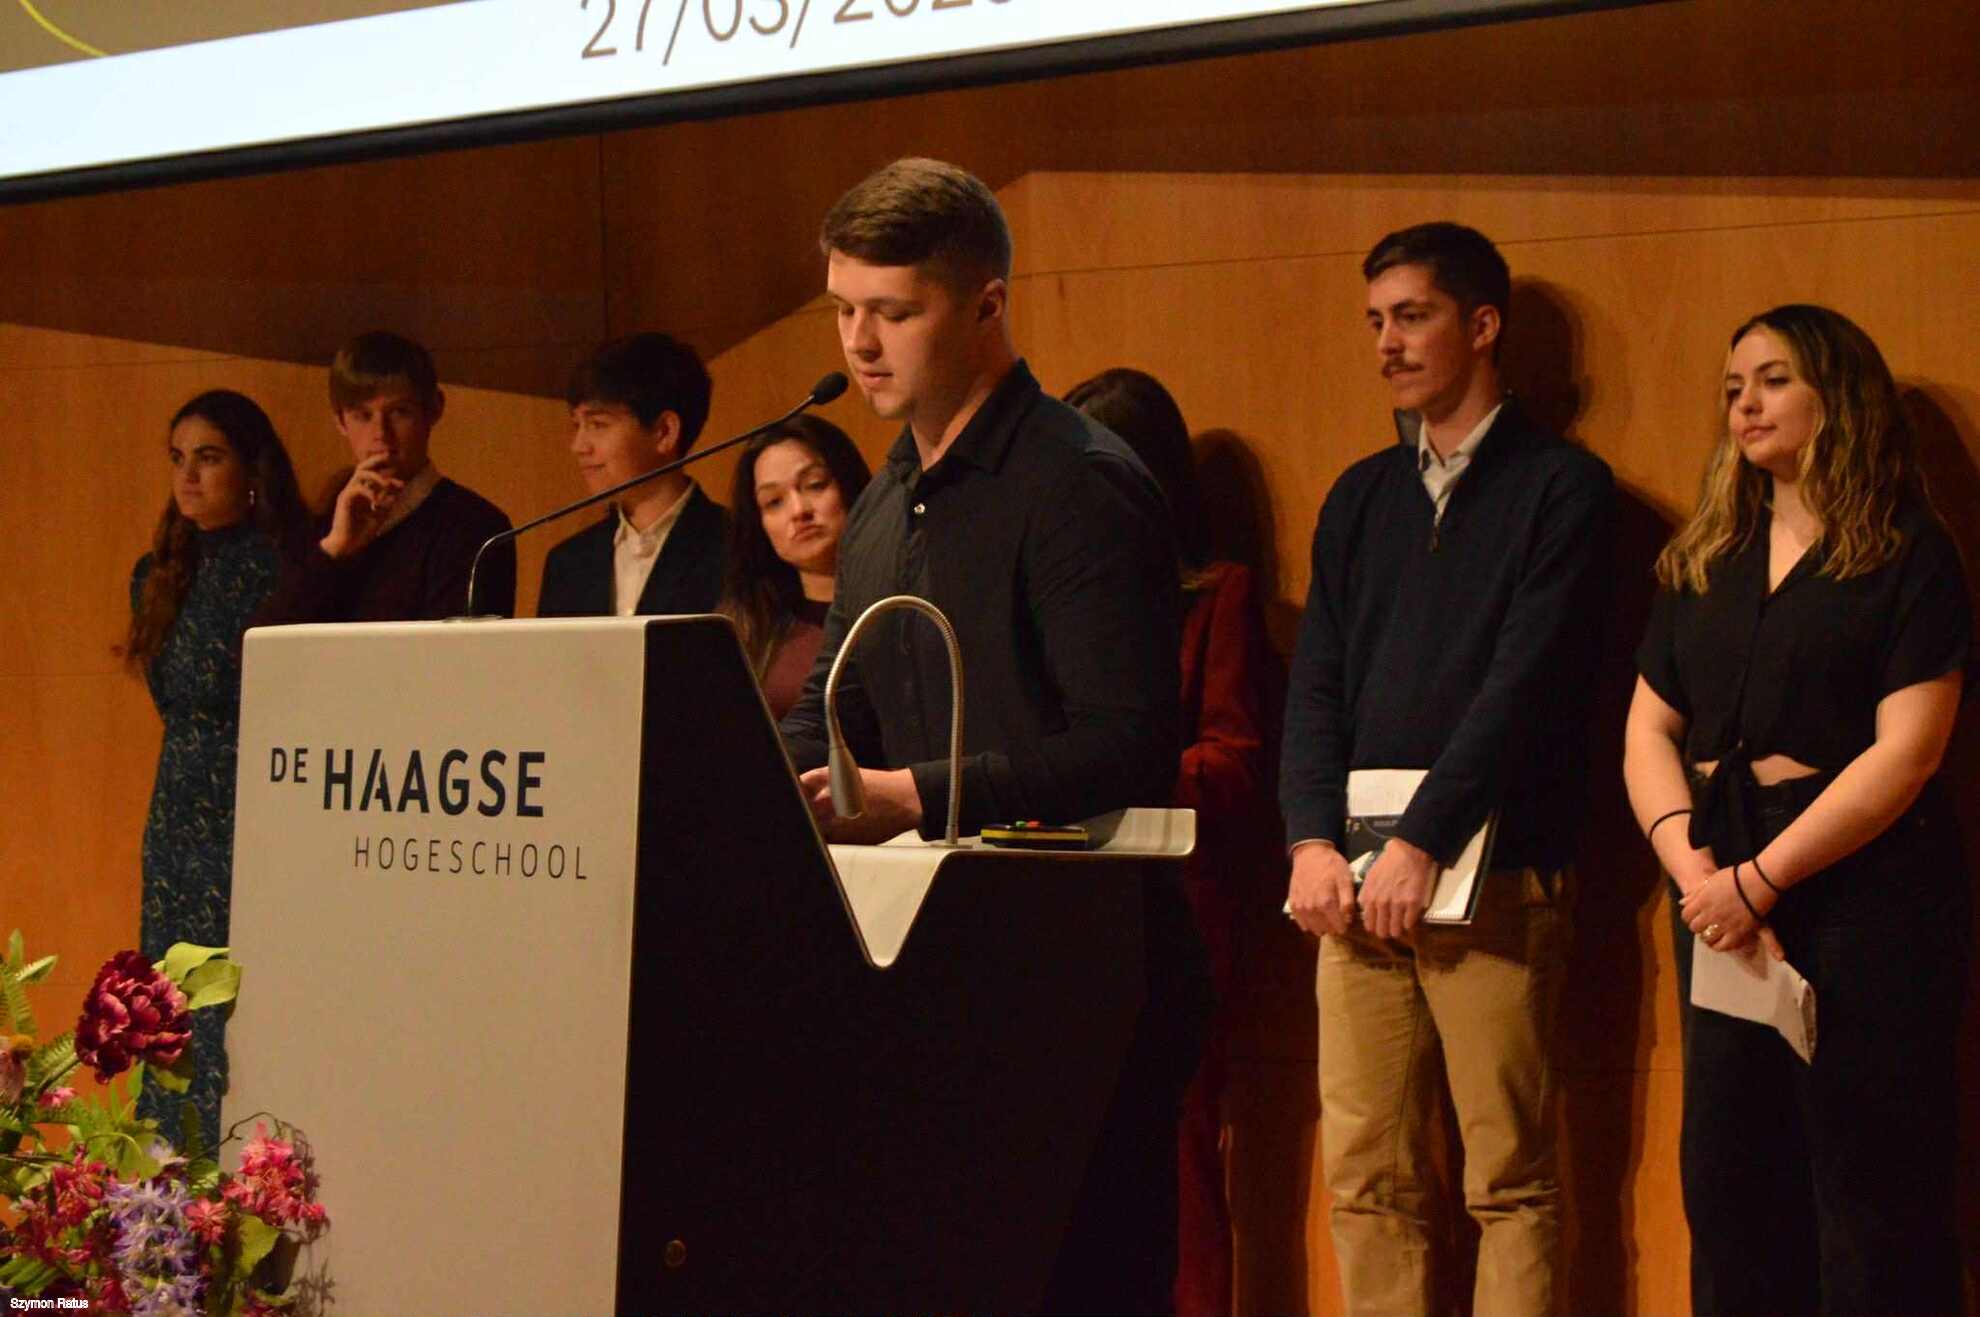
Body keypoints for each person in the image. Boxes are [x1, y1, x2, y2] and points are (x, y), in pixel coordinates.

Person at [778, 157, 1198, 1313]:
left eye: (893, 312)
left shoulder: (1079, 485)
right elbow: (833, 705)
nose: (861, 344)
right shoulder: (885, 496)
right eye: (844, 310)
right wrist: (761, 777)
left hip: (1086, 986)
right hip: (936, 978)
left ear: (987, 306)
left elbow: (1125, 743)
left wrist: (913, 794)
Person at [1281, 221, 1613, 1316]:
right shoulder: (1360, 496)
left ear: (1481, 326)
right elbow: (1316, 686)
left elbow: (1527, 686)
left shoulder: (1562, 487)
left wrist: (1424, 839)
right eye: (1375, 320)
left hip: (1498, 873)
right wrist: (1311, 840)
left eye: (1412, 316)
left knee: (1505, 1177)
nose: (1386, 342)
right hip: (1354, 881)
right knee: (1365, 1176)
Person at [1622, 304, 1970, 1316]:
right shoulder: (1707, 554)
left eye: (1773, 380)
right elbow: (1647, 732)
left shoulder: (1906, 552)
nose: (1746, 404)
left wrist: (1764, 880)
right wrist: (1697, 872)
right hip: (1714, 878)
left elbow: (1908, 751)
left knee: (1873, 1184)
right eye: (1734, 388)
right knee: (1730, 1181)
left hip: (1864, 886)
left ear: (1839, 395)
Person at [1064, 367, 1281, 1317]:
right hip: (1054, 898)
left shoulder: (1216, 592)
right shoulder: (1059, 592)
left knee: (1180, 1157)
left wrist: (1100, 775)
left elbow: (1233, 761)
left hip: (1175, 906)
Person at [123, 389, 310, 1149]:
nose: (188, 476)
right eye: (178, 459)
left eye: (209, 457)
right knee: (172, 995)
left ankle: (250, 1169)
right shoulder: (157, 570)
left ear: (252, 468)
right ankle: (170, 1176)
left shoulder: (286, 567)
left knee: (245, 995)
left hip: (258, 798)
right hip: (178, 804)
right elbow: (172, 697)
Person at [256, 330, 515, 623]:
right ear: (340, 421)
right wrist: (334, 550)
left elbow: (457, 648)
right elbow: (263, 643)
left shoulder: (476, 526)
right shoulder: (320, 531)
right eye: (362, 415)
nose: (380, 434)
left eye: (399, 412)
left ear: (433, 409)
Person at [538, 332, 728, 618]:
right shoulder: (567, 564)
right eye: (576, 425)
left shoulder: (738, 549)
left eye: (598, 424)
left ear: (664, 432)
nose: (578, 446)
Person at [718, 414, 871, 719]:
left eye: (815, 485)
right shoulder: (742, 627)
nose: (799, 511)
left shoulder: (901, 598)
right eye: (774, 501)